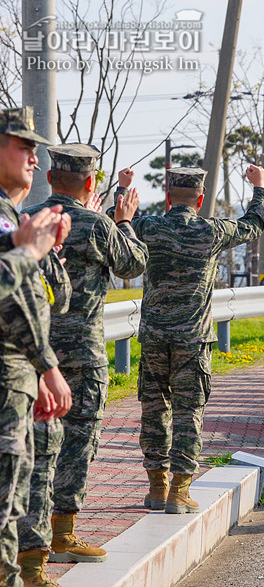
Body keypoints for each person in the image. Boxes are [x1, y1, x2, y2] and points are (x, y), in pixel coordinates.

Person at [22, 150, 148, 573]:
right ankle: (62, 533)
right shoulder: (98, 224)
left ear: (51, 176)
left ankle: (31, 546)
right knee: (77, 444)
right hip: (83, 355)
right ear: (92, 184)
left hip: (36, 353)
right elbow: (133, 263)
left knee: (35, 448)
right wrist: (124, 220)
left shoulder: (26, 218)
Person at [133, 165, 264, 514]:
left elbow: (121, 225)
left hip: (154, 339)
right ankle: (180, 491)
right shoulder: (211, 230)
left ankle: (156, 488)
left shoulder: (149, 227)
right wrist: (259, 188)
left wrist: (123, 190)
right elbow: (253, 226)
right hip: (192, 340)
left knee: (153, 410)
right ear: (201, 197)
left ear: (167, 195)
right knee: (188, 412)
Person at [0, 106, 73, 587]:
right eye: (22, 144)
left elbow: (37, 299)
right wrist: (46, 366)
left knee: (9, 507)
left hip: (17, 376)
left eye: (34, 147)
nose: (33, 154)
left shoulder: (12, 216)